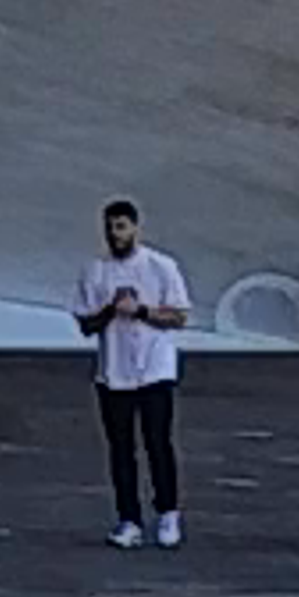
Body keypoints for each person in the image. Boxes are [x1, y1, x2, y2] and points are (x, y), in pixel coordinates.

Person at [74, 198, 191, 549]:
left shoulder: (161, 266)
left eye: (122, 227)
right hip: (114, 372)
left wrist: (140, 310)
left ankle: (168, 511)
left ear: (136, 228)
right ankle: (129, 519)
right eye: (111, 227)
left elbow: (179, 316)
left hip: (155, 369)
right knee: (120, 448)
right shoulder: (95, 270)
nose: (116, 234)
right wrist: (111, 309)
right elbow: (86, 324)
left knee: (158, 442)